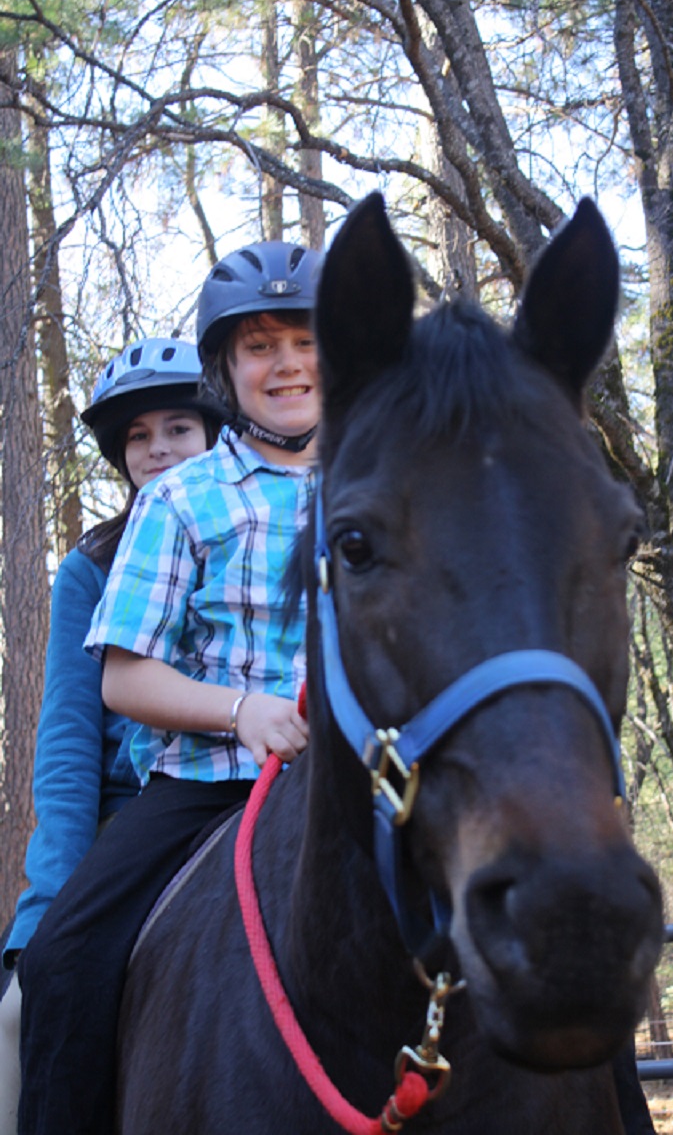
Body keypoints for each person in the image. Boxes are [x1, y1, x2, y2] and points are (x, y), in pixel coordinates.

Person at [16, 239, 322, 1135]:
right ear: (227, 371)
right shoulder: (183, 499)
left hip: (362, 777)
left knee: (543, 916)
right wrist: (245, 711)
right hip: (202, 783)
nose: (288, 363)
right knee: (63, 963)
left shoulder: (387, 482)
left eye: (305, 340)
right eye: (259, 345)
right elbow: (122, 676)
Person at [0, 338, 221, 1134]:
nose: (158, 449)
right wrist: (48, 901)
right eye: (138, 436)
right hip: (133, 817)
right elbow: (66, 742)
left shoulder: (259, 533)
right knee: (22, 1014)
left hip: (254, 786)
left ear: (214, 433)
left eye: (178, 429)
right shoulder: (91, 567)